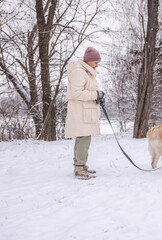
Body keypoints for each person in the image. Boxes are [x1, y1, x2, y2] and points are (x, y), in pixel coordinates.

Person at [65, 47, 105, 180]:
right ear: (88, 61)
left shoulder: (86, 72)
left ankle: (80, 165)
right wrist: (96, 95)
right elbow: (77, 93)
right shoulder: (79, 72)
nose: (97, 64)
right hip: (80, 111)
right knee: (84, 139)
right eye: (95, 62)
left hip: (85, 111)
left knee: (82, 139)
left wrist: (99, 96)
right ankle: (79, 168)